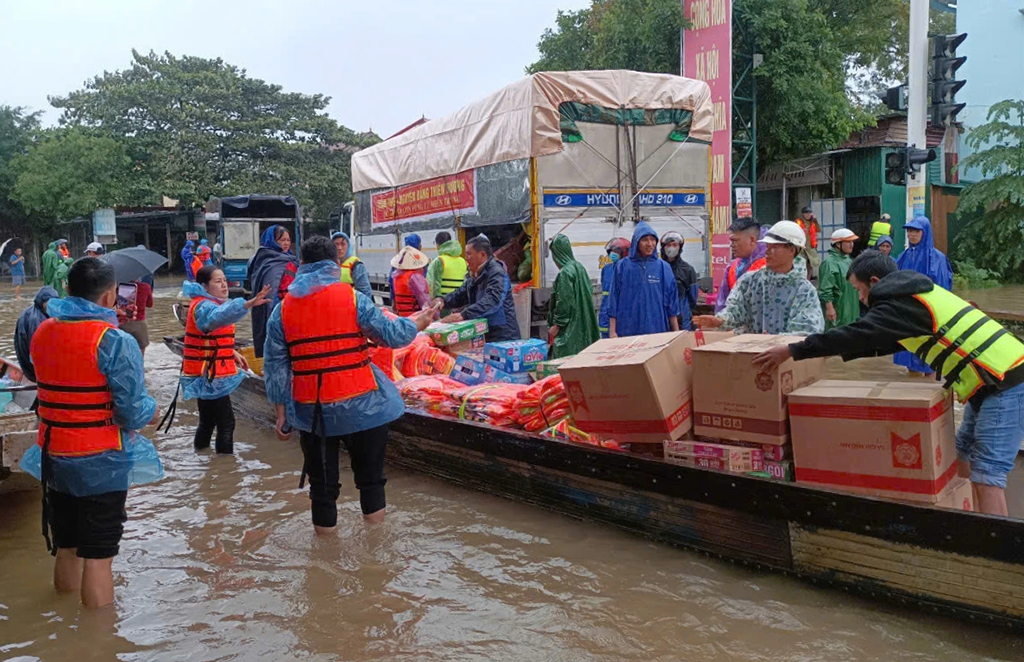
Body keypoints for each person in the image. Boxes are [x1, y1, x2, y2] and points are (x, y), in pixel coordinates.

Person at [752, 250, 1024, 516]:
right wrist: (828, 351)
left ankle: (997, 551)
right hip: (988, 383)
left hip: (1006, 382)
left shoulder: (898, 302)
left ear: (875, 283)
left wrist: (794, 350)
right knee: (962, 456)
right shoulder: (914, 295)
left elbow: (858, 334)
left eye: (859, 290)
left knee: (987, 474)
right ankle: (973, 521)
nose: (860, 298)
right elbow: (878, 343)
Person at [263, 236, 434, 531]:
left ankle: (324, 564)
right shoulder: (354, 298)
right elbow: (390, 335)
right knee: (371, 481)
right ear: (337, 264)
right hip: (363, 405)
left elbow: (275, 366)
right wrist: (418, 322)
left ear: (301, 265)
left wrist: (281, 413)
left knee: (322, 489)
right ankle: (375, 551)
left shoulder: (282, 309)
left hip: (312, 412)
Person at [19, 257, 162, 608]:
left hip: (54, 456)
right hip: (101, 459)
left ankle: (63, 624)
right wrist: (152, 411)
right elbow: (130, 411)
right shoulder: (115, 341)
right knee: (99, 555)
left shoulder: (43, 331)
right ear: (111, 295)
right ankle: (97, 644)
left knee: (66, 544)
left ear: (68, 289)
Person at [182, 266, 271, 454]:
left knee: (207, 422)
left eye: (224, 280)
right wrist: (248, 304)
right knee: (226, 423)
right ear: (205, 286)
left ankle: (203, 460)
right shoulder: (204, 306)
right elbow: (217, 318)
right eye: (217, 281)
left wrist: (231, 352)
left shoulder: (207, 303)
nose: (224, 285)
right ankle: (225, 468)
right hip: (210, 375)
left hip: (206, 372)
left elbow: (214, 334)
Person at [694, 221, 825, 335]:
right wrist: (720, 320)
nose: (767, 252)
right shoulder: (750, 281)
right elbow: (736, 310)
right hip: (751, 354)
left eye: (774, 247)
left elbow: (809, 328)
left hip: (786, 359)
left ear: (792, 250)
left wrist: (777, 341)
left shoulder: (804, 290)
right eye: (768, 246)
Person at [894, 216, 954, 376]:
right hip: (907, 312)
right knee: (909, 355)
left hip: (928, 312)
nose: (911, 234)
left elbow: (942, 288)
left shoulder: (937, 259)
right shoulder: (903, 256)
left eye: (916, 231)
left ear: (925, 232)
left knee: (930, 358)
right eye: (909, 231)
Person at [433, 235, 521, 342]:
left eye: (469, 254)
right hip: (484, 332)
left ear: (482, 255)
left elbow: (493, 300)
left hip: (503, 335)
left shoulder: (496, 272)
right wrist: (443, 300)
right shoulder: (474, 274)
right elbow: (461, 294)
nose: (466, 258)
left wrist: (463, 315)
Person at [606, 221, 680, 338]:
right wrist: (612, 331)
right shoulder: (623, 266)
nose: (650, 244)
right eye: (645, 240)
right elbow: (613, 299)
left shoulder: (663, 267)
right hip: (627, 328)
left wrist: (676, 332)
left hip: (657, 328)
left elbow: (671, 302)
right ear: (636, 242)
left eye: (652, 239)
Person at [247, 225, 298, 358]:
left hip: (291, 308)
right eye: (281, 240)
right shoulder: (265, 260)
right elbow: (270, 291)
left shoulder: (290, 258)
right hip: (277, 309)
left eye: (288, 240)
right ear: (272, 241)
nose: (286, 243)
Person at [548, 234, 600, 358]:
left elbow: (564, 301)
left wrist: (557, 325)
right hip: (583, 324)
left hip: (570, 328)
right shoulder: (579, 267)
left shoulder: (565, 272)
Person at [715, 219, 767, 313]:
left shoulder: (769, 265)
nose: (732, 245)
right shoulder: (732, 267)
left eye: (735, 241)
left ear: (752, 240)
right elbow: (722, 302)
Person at [14, 286, 58, 383]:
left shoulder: (29, 311)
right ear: (42, 301)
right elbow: (39, 354)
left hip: (26, 365)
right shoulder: (38, 321)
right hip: (34, 371)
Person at [818, 228, 860, 329]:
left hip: (852, 306)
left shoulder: (850, 261)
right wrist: (829, 308)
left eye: (852, 241)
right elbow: (825, 289)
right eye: (848, 242)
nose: (851, 244)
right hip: (839, 307)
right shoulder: (829, 264)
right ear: (838, 244)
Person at [660, 231, 699, 331]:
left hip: (682, 316)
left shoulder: (688, 269)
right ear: (663, 247)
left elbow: (693, 298)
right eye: (668, 245)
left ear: (680, 247)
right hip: (660, 314)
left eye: (674, 245)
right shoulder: (657, 268)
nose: (671, 248)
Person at [598, 237, 630, 337]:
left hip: (621, 320)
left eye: (616, 251)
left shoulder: (629, 271)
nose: (613, 254)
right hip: (605, 318)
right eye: (611, 251)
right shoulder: (606, 269)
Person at [390, 246, 433, 315]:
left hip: (403, 317)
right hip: (416, 317)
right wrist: (435, 315)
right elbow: (424, 300)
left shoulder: (397, 276)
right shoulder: (415, 277)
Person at [117, 279, 155, 358]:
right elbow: (150, 304)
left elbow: (116, 304)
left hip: (123, 321)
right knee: (141, 351)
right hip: (140, 323)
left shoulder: (120, 287)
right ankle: (140, 368)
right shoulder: (146, 287)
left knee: (123, 351)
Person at [427, 231, 468, 299]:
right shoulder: (463, 261)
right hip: (460, 302)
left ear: (438, 245)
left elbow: (431, 284)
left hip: (443, 303)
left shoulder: (439, 261)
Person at [331, 231, 372, 298]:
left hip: (350, 305)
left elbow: (365, 292)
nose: (339, 248)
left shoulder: (356, 265)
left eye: (343, 244)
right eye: (336, 244)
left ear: (348, 246)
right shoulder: (328, 265)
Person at [795, 207, 821, 278]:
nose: (808, 215)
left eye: (809, 213)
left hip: (810, 247)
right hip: (801, 247)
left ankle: (808, 279)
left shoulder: (812, 222)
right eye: (806, 213)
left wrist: (815, 221)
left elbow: (819, 229)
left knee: (810, 264)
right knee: (801, 264)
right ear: (803, 214)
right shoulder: (798, 221)